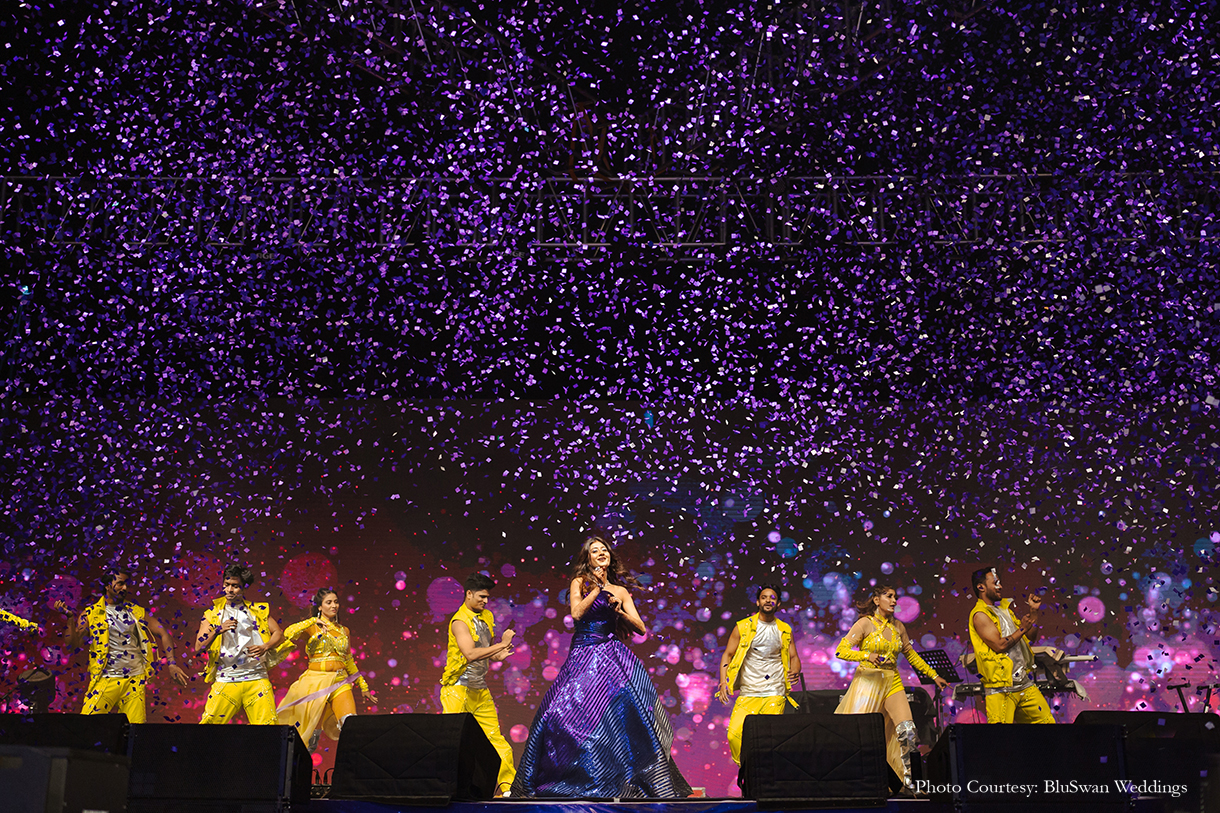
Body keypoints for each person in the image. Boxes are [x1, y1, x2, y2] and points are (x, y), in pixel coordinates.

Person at [511, 534, 691, 799]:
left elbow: (641, 628)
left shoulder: (621, 591)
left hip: (611, 656)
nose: (601, 553)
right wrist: (596, 589)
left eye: (604, 549)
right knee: (562, 712)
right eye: (595, 551)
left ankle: (621, 780)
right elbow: (576, 614)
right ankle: (573, 777)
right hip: (583, 654)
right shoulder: (579, 582)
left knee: (624, 716)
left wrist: (618, 610)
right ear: (589, 558)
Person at [835, 584, 948, 789]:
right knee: (860, 736)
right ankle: (857, 782)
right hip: (868, 682)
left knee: (908, 731)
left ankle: (908, 784)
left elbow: (911, 654)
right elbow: (841, 651)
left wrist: (934, 675)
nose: (895, 601)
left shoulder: (898, 626)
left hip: (892, 681)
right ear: (877, 600)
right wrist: (866, 655)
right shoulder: (864, 624)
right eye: (889, 596)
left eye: (896, 597)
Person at [56, 565, 190, 723]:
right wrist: (70, 619)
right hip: (106, 679)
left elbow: (163, 633)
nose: (125, 588)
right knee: (87, 725)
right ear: (107, 585)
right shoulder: (91, 614)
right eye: (120, 583)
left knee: (134, 730)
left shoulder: (135, 611)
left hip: (134, 680)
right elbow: (72, 645)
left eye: (126, 584)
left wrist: (172, 664)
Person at [440, 573, 518, 796]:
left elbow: (486, 651)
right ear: (469, 594)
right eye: (482, 596)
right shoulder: (459, 622)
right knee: (452, 743)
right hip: (457, 689)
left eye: (487, 597)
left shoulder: (487, 617)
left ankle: (506, 790)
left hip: (479, 689)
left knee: (497, 742)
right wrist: (501, 644)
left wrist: (498, 655)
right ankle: (448, 789)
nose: (485, 601)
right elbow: (471, 653)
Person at [276, 588, 377, 751]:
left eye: (336, 602)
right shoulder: (311, 627)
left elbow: (348, 660)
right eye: (329, 602)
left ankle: (348, 771)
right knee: (307, 738)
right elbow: (288, 633)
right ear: (320, 607)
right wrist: (311, 622)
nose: (334, 605)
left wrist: (363, 685)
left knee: (350, 725)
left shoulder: (344, 631)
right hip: (315, 683)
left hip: (340, 681)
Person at [717, 585, 801, 765]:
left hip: (775, 691)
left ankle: (763, 775)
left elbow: (794, 656)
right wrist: (723, 681)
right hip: (749, 691)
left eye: (772, 598)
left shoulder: (784, 629)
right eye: (764, 597)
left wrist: (795, 670)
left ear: (778, 603)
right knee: (734, 735)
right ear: (758, 602)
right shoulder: (742, 627)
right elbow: (728, 654)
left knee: (768, 739)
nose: (768, 600)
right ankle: (746, 770)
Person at [194, 563, 284, 725]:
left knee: (269, 727)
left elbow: (278, 633)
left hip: (257, 678)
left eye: (235, 586)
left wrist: (265, 646)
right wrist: (218, 630)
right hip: (227, 678)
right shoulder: (213, 614)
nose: (229, 590)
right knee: (208, 727)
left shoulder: (256, 610)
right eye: (227, 585)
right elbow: (198, 646)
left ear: (243, 588)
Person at [968, 566, 1054, 724]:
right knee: (1001, 739)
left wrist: (1033, 613)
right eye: (995, 583)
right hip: (1001, 689)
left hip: (1024, 685)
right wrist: (1022, 629)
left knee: (1048, 726)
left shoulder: (1004, 610)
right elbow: (999, 646)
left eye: (999, 582)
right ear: (981, 587)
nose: (1000, 586)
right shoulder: (980, 615)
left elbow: (1030, 637)